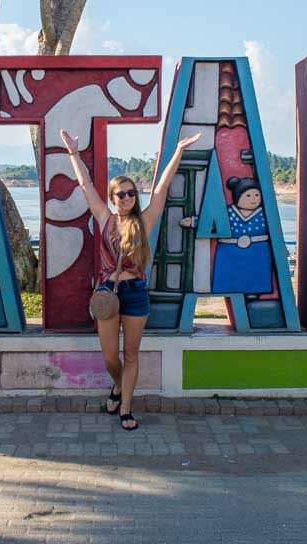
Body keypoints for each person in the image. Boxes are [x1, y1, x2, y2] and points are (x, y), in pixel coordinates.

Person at [59, 128, 201, 431]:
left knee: (132, 354)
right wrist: (73, 153)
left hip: (135, 292)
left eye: (131, 193)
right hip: (107, 293)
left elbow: (161, 188)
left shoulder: (144, 221)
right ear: (112, 198)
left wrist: (178, 151)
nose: (127, 198)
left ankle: (125, 408)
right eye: (121, 194)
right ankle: (118, 385)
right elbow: (85, 184)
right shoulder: (105, 218)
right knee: (111, 356)